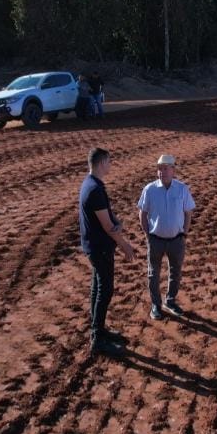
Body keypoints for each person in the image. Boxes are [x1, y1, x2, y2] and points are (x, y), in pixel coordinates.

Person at [79, 147, 135, 357]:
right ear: (102, 163)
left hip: (94, 246)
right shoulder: (95, 189)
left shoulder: (89, 184)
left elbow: (107, 217)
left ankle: (98, 330)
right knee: (105, 290)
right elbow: (106, 226)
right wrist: (124, 244)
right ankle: (98, 338)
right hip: (100, 248)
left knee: (97, 287)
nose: (110, 165)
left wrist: (117, 222)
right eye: (109, 162)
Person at [137, 154, 196, 320]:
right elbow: (142, 213)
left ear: (173, 170)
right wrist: (147, 234)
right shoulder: (149, 189)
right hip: (156, 239)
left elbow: (188, 213)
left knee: (175, 272)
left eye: (165, 168)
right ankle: (156, 305)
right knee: (153, 273)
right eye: (159, 169)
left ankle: (170, 301)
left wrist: (184, 233)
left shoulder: (182, 189)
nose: (162, 171)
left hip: (177, 239)